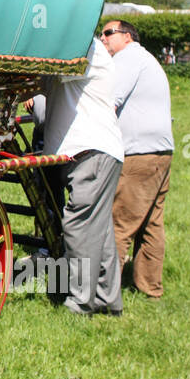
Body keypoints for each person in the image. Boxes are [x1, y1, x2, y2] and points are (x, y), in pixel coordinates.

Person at [29, 36, 125, 316]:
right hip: (86, 151)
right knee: (100, 230)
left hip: (91, 150)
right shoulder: (75, 46)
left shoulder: (84, 48)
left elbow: (43, 73)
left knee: (79, 225)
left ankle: (79, 303)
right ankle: (107, 299)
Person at [100, 19, 173, 298]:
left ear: (127, 37)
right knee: (151, 224)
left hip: (139, 153)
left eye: (109, 33)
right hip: (160, 152)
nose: (103, 38)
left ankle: (104, 293)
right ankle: (149, 287)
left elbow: (109, 100)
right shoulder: (146, 59)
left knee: (119, 222)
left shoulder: (128, 58)